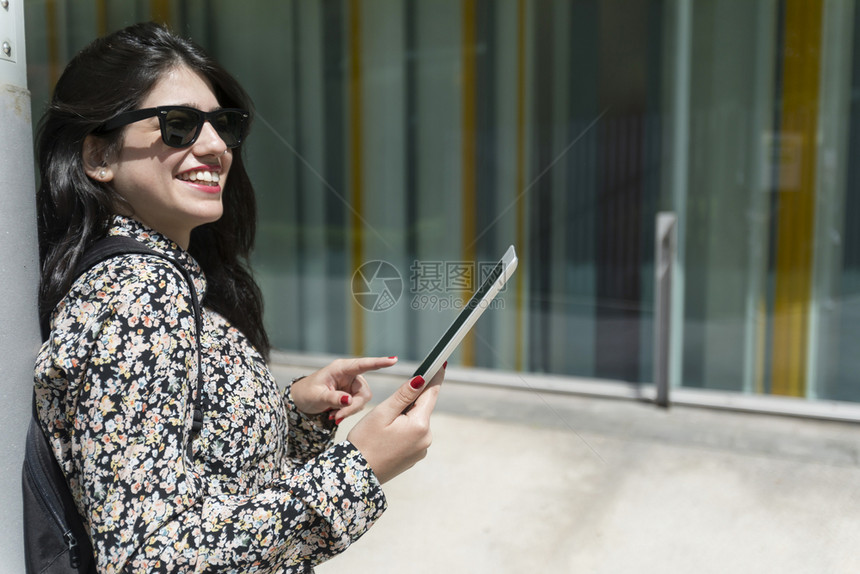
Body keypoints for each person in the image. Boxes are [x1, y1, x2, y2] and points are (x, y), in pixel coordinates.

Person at [34, 21, 443, 573]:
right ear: (98, 157)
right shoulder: (136, 294)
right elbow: (150, 558)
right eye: (177, 126)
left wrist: (292, 412)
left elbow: (199, 476)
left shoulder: (168, 279)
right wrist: (360, 468)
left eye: (222, 125)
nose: (215, 146)